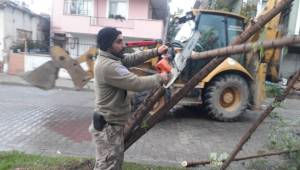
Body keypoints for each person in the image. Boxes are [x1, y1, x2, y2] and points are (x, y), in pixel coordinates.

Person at [89, 27, 169, 170]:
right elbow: (135, 83)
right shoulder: (109, 66)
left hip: (110, 125)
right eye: (119, 42)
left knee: (109, 164)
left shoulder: (112, 58)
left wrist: (156, 52)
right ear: (108, 45)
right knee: (108, 166)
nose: (124, 45)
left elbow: (131, 58)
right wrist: (160, 78)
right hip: (109, 128)